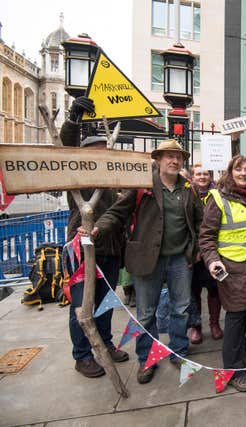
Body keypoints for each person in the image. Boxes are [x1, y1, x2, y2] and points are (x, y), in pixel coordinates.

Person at [87, 139, 203, 385]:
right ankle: (146, 359)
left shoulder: (189, 189)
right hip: (146, 259)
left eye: (178, 157)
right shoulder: (143, 185)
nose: (174, 160)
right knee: (146, 312)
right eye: (169, 156)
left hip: (180, 259)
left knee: (180, 309)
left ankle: (178, 351)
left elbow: (199, 221)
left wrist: (197, 249)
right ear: (158, 159)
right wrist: (98, 228)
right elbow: (118, 212)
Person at [61, 96, 129, 378]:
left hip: (111, 248)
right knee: (82, 305)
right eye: (97, 150)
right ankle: (82, 355)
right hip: (83, 246)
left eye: (106, 150)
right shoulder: (76, 172)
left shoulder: (113, 181)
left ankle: (106, 343)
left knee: (106, 302)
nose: (103, 154)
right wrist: (74, 116)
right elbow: (67, 144)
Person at [198, 155, 246, 392]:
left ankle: (242, 349)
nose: (244, 174)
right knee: (236, 318)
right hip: (232, 269)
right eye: (239, 170)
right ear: (230, 172)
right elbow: (206, 236)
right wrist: (213, 261)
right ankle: (233, 369)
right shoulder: (218, 197)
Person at [186, 164, 223, 344]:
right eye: (198, 174)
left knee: (214, 289)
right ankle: (196, 326)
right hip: (192, 253)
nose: (202, 177)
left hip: (213, 251)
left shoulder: (217, 194)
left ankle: (215, 324)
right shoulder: (186, 194)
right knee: (194, 290)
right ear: (193, 176)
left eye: (205, 174)